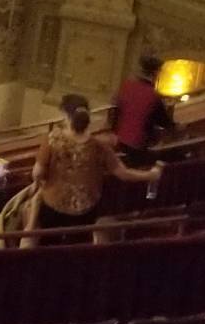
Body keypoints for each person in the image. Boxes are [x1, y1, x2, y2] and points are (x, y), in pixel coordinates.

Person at [31, 95, 159, 233]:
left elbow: (37, 173)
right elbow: (124, 174)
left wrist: (42, 181)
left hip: (53, 206)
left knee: (48, 242)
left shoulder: (51, 141)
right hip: (85, 211)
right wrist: (151, 175)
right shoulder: (100, 146)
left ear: (66, 117)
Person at [113, 55, 166, 154]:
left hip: (118, 141)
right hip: (137, 147)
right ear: (155, 73)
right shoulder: (153, 96)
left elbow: (115, 110)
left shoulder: (126, 86)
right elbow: (163, 121)